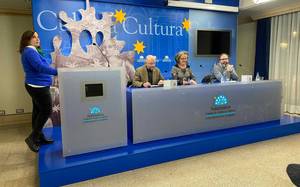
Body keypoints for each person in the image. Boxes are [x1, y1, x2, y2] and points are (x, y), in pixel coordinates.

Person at [19, 30, 58, 152]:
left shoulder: (32, 50)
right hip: (37, 86)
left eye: (38, 37)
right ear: (27, 40)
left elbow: (41, 65)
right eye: (34, 37)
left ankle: (39, 137)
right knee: (46, 110)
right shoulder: (29, 51)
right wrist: (57, 72)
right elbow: (40, 67)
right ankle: (32, 137)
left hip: (37, 85)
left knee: (37, 111)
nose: (37, 39)